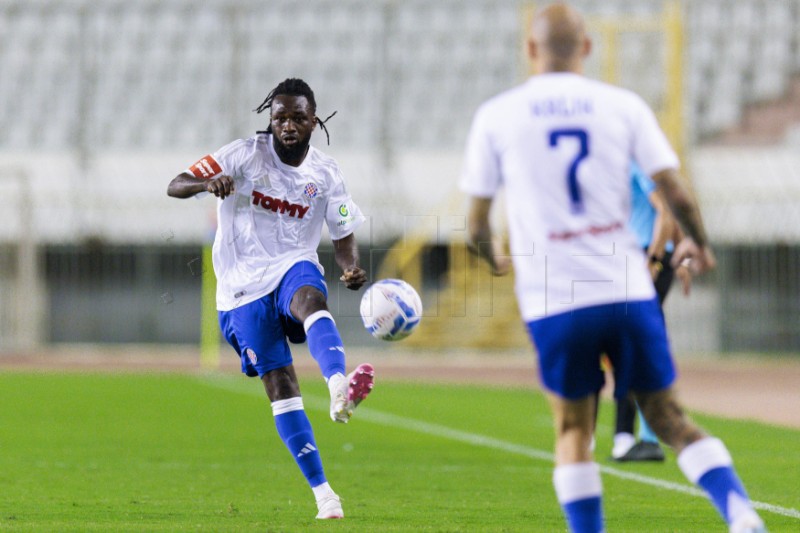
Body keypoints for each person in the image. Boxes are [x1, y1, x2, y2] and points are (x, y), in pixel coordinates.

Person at [460, 4, 766, 532]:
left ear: (530, 49)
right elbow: (674, 189)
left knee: (574, 431)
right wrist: (699, 241)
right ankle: (740, 516)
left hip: (555, 298)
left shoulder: (497, 115)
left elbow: (475, 225)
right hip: (625, 288)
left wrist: (495, 259)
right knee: (670, 418)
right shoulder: (621, 106)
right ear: (586, 47)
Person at [167, 78, 375, 520]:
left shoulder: (326, 173)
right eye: (279, 116)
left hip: (291, 265)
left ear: (313, 121)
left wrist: (348, 267)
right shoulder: (242, 155)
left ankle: (339, 387)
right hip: (241, 288)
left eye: (297, 116)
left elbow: (343, 234)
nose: (287, 125)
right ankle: (325, 496)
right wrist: (209, 184)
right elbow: (176, 183)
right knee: (281, 386)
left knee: (311, 300)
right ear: (271, 119)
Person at [610, 161, 693, 462]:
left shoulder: (635, 164)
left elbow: (665, 211)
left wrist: (654, 259)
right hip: (638, 257)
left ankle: (647, 436)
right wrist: (682, 256)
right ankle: (634, 435)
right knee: (633, 345)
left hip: (646, 257)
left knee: (637, 344)